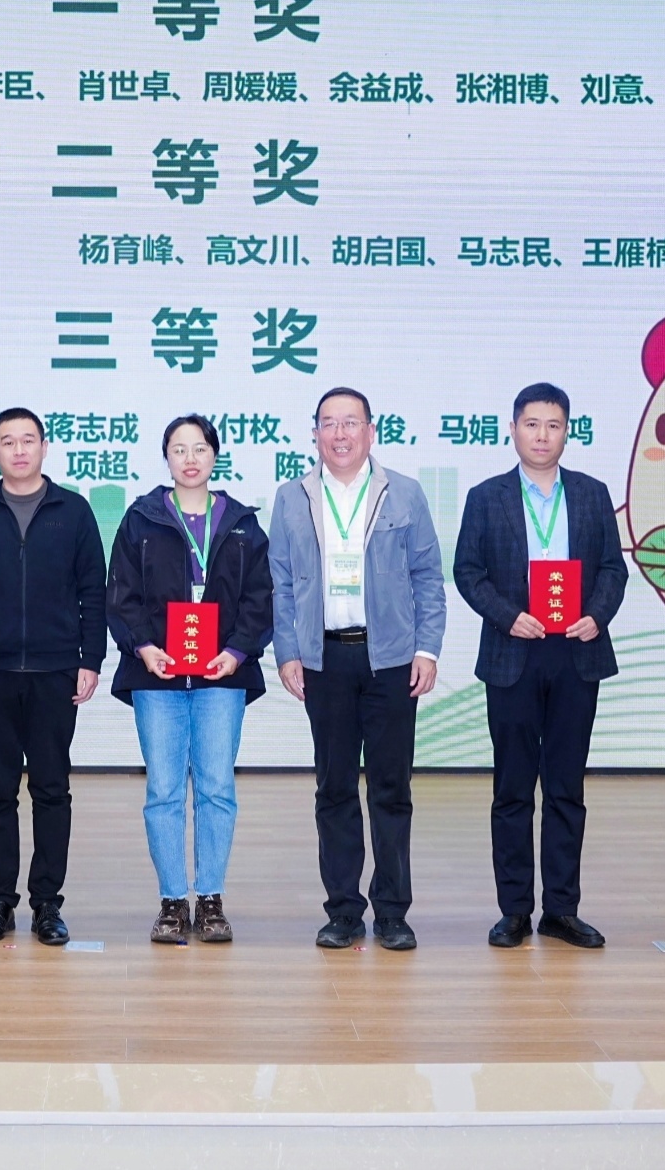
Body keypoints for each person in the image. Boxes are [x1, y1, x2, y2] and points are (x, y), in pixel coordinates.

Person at [268, 387, 446, 952]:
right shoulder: (292, 497)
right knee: (335, 787)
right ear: (314, 433)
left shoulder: (404, 493)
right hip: (324, 658)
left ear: (371, 431)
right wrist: (287, 651)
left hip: (391, 658)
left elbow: (428, 577)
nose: (340, 434)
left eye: (350, 423)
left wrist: (427, 650)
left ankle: (392, 911)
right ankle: (343, 911)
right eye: (329, 423)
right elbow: (279, 583)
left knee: (391, 788)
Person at [454, 383, 628, 951]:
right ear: (513, 429)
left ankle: (562, 909)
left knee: (566, 789)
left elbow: (613, 568)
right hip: (513, 654)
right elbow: (467, 571)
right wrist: (509, 616)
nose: (542, 435)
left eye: (553, 425)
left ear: (567, 432)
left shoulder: (593, 494)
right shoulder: (487, 497)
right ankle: (513, 911)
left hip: (577, 652)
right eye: (532, 424)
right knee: (511, 789)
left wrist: (596, 615)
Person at [0, 408, 107, 947]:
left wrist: (90, 659)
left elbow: (94, 590)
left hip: (56, 671)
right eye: (7, 442)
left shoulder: (73, 511)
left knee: (52, 788)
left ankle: (47, 904)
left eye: (28, 440)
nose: (18, 450)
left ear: (44, 447)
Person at [107, 414, 274, 945]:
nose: (190, 459)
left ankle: (212, 899)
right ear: (167, 458)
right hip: (156, 676)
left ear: (215, 454)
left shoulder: (243, 524)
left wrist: (237, 652)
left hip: (221, 676)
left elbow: (261, 598)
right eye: (179, 449)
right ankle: (172, 901)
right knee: (163, 790)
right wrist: (144, 647)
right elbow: (121, 595)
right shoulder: (141, 519)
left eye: (199, 448)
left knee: (217, 787)